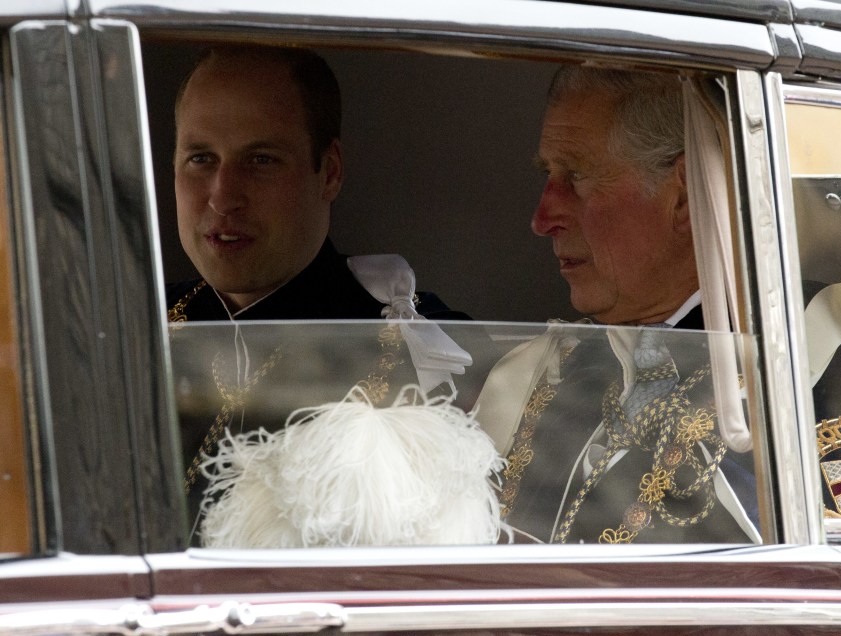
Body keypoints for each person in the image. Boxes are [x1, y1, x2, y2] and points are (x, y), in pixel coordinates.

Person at [165, 46, 467, 535]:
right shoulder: (128, 324)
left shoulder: (421, 352)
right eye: (201, 158)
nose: (223, 196)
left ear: (329, 171)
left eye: (261, 160)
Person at [478, 67, 757, 544]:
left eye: (578, 177)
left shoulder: (807, 368)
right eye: (548, 176)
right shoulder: (534, 375)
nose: (542, 219)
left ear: (684, 196)